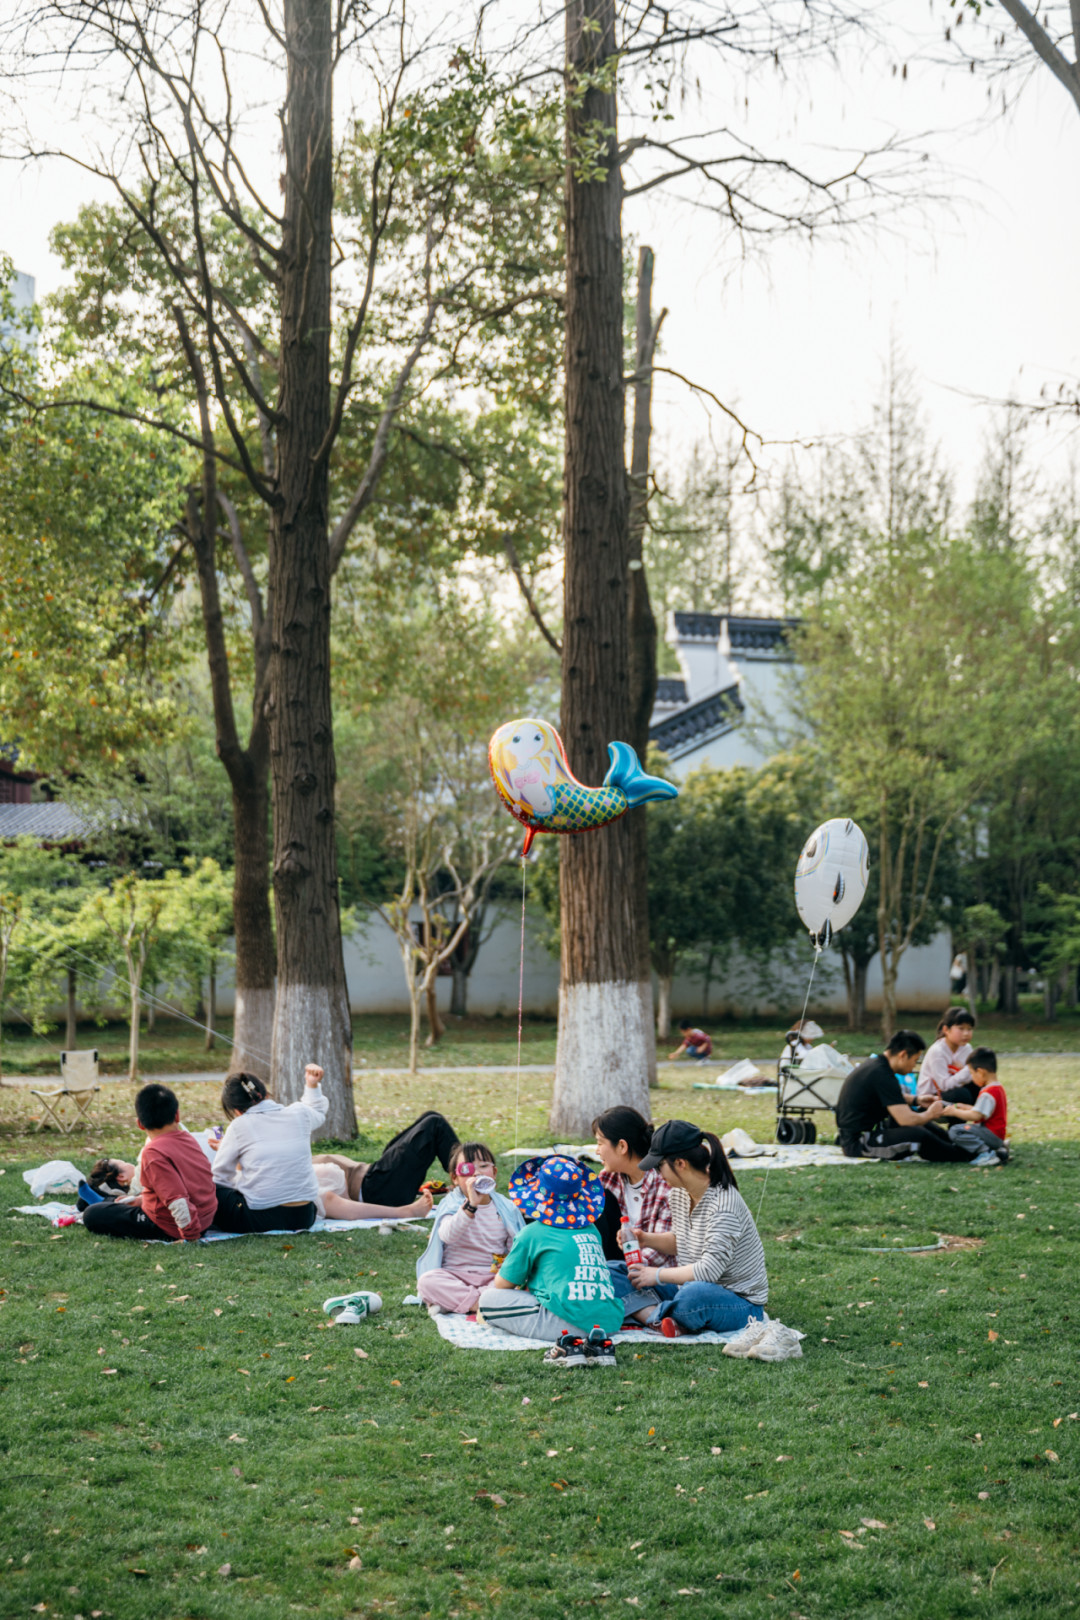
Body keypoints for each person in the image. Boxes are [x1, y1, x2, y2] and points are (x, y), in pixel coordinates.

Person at [609, 1119, 790, 1354]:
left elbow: (709, 1271)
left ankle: (647, 1312)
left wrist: (657, 1275)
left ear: (680, 1163)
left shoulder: (724, 1205)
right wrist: (645, 1239)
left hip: (738, 1302)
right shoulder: (679, 1194)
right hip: (688, 1286)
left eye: (659, 1165)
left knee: (693, 1297)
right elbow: (681, 1241)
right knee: (611, 1271)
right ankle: (662, 1318)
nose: (657, 1172)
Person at [212, 1069, 437, 1233]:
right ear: (266, 1094)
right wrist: (312, 1085)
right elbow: (317, 1111)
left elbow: (221, 1177)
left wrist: (235, 1165)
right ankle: (401, 1212)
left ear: (236, 1110)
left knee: (214, 1188)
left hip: (262, 1219)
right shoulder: (298, 1113)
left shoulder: (238, 1127)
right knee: (321, 1193)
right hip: (304, 1216)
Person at [476, 1155, 623, 1363]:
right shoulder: (591, 1230)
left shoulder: (531, 1233)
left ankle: (570, 1342)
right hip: (608, 1323)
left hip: (569, 1321)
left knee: (488, 1300)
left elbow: (503, 1284)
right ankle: (594, 1343)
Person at [82, 1084, 218, 1242]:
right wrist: (140, 1200)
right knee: (123, 1201)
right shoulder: (189, 1139)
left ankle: (100, 1201)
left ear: (139, 1124)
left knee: (92, 1214)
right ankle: (108, 1200)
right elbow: (183, 1184)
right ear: (177, 1115)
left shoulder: (153, 1152)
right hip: (205, 1219)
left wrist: (191, 1237)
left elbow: (177, 1200)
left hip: (172, 1226)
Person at [415, 1142, 525, 1315]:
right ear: (455, 1178)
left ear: (494, 1173)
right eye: (467, 1169)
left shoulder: (506, 1208)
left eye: (483, 1166)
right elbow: (447, 1236)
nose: (477, 1173)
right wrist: (471, 1205)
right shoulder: (451, 1204)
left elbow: (516, 1248)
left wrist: (511, 1273)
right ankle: (482, 1304)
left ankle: (457, 1303)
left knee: (517, 1281)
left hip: (492, 1277)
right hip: (455, 1275)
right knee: (427, 1281)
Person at [836, 1030, 976, 1162]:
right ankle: (961, 1155)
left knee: (921, 1124)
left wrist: (917, 1100)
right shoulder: (883, 1075)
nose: (914, 1066)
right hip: (860, 1143)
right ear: (903, 1055)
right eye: (915, 1060)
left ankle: (958, 1145)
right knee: (918, 1134)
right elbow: (906, 1120)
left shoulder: (877, 1066)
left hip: (866, 1134)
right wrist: (930, 1114)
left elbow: (889, 1097)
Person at [312, 1109, 460, 1208]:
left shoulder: (300, 1160)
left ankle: (467, 1174)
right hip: (377, 1189)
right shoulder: (300, 1178)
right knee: (434, 1124)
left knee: (431, 1115)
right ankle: (468, 1178)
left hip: (377, 1178)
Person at [592, 1106, 672, 1268]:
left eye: (600, 1143)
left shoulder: (665, 1186)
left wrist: (627, 1268)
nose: (597, 1151)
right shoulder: (608, 1178)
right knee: (596, 1200)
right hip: (617, 1262)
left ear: (622, 1146)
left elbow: (662, 1254)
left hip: (654, 1272)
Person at [941, 1047, 1009, 1166]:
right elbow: (984, 1111)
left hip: (991, 1134)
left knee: (956, 1130)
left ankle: (986, 1153)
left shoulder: (987, 1093)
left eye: (972, 1073)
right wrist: (965, 1107)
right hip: (997, 1135)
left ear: (980, 1072)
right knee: (966, 1129)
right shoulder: (998, 1088)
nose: (972, 1078)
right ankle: (999, 1149)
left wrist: (954, 1112)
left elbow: (976, 1116)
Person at [917, 1008, 978, 1105]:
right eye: (961, 1028)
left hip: (955, 1090)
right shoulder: (937, 1051)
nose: (966, 1033)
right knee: (962, 1094)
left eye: (969, 1029)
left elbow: (974, 1077)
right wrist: (967, 1070)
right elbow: (944, 1086)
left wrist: (965, 1071)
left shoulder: (967, 1049)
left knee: (979, 1087)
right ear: (946, 1030)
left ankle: (976, 1114)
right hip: (932, 1097)